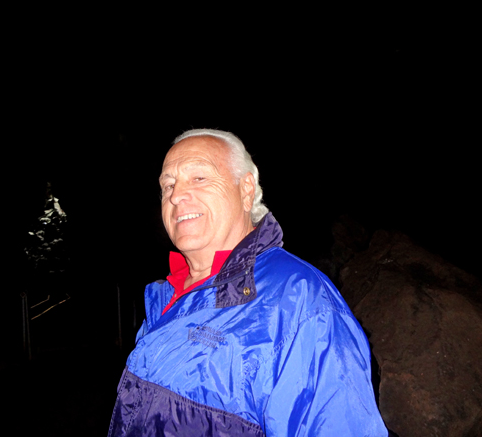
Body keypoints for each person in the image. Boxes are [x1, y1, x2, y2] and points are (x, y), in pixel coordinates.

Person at [108, 129, 388, 436]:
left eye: (199, 178)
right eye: (168, 185)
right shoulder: (164, 296)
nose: (176, 195)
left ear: (246, 189)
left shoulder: (301, 303)